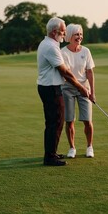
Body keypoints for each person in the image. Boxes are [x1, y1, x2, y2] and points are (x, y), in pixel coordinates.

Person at [37, 17, 90, 166]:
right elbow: (65, 72)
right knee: (56, 122)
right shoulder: (51, 47)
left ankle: (51, 153)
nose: (65, 33)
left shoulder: (48, 43)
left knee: (53, 122)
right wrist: (82, 88)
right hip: (51, 88)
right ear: (55, 32)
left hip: (48, 87)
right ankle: (49, 157)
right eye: (63, 31)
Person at [61, 24, 96, 158]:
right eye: (76, 34)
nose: (79, 37)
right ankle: (72, 148)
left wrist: (92, 92)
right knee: (69, 120)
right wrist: (80, 88)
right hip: (68, 88)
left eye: (80, 34)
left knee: (87, 120)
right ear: (69, 36)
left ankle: (89, 147)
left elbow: (90, 72)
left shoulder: (86, 51)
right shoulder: (63, 52)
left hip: (84, 89)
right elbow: (66, 74)